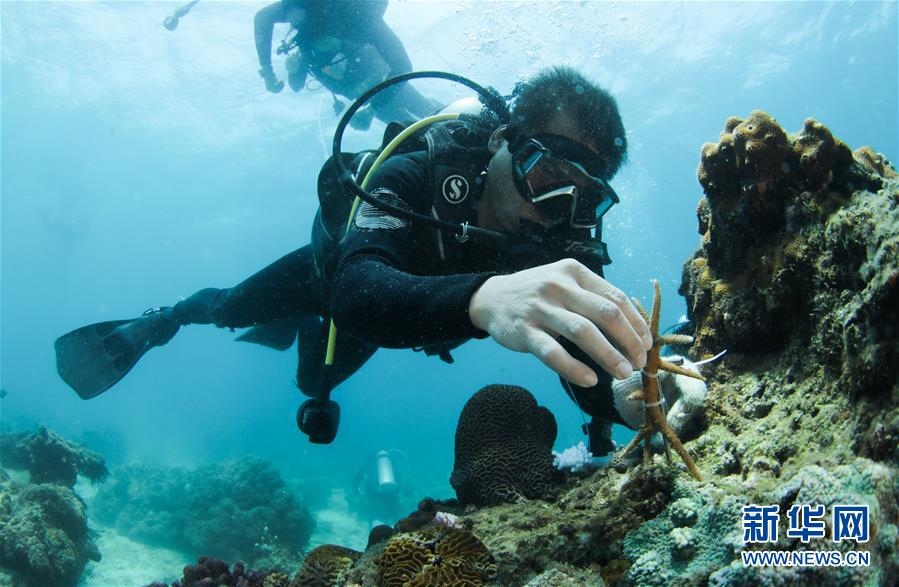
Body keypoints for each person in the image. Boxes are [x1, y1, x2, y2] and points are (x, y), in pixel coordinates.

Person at [55, 66, 653, 454]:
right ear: (502, 143)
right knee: (235, 309)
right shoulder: (418, 171)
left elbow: (588, 353)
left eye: (584, 197)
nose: (556, 211)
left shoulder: (569, 238)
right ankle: (168, 318)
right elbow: (358, 291)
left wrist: (630, 397)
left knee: (310, 379)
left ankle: (291, 333)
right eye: (547, 175)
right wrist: (482, 298)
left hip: (407, 314)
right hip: (334, 278)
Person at [253, 0, 438, 127]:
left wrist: (373, 108)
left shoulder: (363, 19)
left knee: (429, 112)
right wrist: (274, 70)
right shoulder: (306, 29)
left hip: (382, 85)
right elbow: (262, 18)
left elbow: (403, 67)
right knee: (409, 132)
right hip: (366, 97)